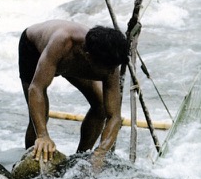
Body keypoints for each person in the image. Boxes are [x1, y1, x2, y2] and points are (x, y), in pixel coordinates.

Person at [19, 20, 128, 169]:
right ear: (88, 57)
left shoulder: (110, 60)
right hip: (34, 51)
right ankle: (31, 163)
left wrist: (101, 153)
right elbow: (36, 89)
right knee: (39, 116)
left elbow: (114, 116)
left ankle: (79, 159)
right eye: (108, 69)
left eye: (113, 68)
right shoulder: (63, 41)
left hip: (71, 60)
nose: (111, 73)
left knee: (101, 106)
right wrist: (43, 135)